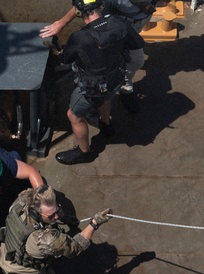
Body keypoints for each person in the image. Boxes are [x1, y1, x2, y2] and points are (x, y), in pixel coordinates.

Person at [0, 185, 112, 274]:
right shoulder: (47, 239)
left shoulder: (23, 199)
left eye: (58, 210)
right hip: (23, 270)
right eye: (52, 215)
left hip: (7, 251)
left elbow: (49, 206)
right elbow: (76, 247)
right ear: (37, 212)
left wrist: (65, 218)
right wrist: (95, 223)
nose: (56, 217)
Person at [54, 0, 146, 165]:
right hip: (117, 78)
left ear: (81, 13)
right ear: (100, 6)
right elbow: (135, 44)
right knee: (107, 97)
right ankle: (106, 124)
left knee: (73, 115)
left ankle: (84, 152)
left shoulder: (80, 36)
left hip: (94, 87)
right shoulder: (119, 22)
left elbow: (65, 58)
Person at [40, 0, 154, 111]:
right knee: (103, 59)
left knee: (136, 61)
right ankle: (122, 88)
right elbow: (84, 2)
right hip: (115, 20)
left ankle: (121, 85)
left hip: (140, 18)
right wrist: (62, 22)